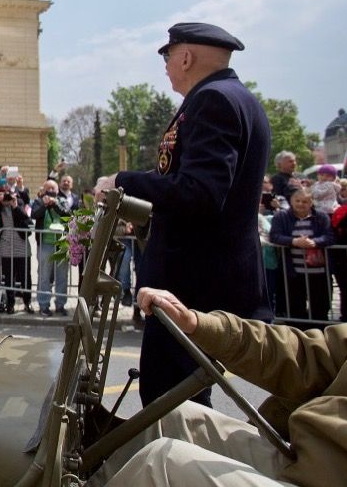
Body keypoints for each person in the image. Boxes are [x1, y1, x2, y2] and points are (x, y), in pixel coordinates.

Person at [98, 22, 272, 407]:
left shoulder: (213, 101)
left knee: (171, 403)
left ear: (186, 57)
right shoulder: (236, 98)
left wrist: (122, 181)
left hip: (194, 284)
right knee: (185, 400)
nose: (165, 65)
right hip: (210, 279)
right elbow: (191, 181)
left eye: (168, 55)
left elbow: (200, 193)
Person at [92, 286, 347, 487]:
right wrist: (196, 323)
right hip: (307, 458)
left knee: (163, 463)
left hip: (322, 475)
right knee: (172, 416)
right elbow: (306, 354)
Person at [269, 187, 335, 326]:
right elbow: (274, 236)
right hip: (293, 272)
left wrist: (315, 242)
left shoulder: (322, 217)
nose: (300, 204)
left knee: (321, 307)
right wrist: (294, 241)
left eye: (305, 201)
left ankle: (319, 333)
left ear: (311, 202)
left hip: (319, 272)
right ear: (291, 201)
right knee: (295, 307)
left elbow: (329, 236)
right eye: (297, 200)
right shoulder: (281, 216)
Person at [31, 179, 72, 316]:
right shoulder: (38, 201)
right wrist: (44, 204)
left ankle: (60, 304)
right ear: (43, 190)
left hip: (61, 243)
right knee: (44, 275)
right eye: (47, 188)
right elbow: (34, 214)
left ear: (57, 190)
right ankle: (44, 305)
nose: (50, 191)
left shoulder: (62, 201)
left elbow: (68, 215)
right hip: (45, 243)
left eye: (53, 188)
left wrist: (55, 204)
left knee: (62, 275)